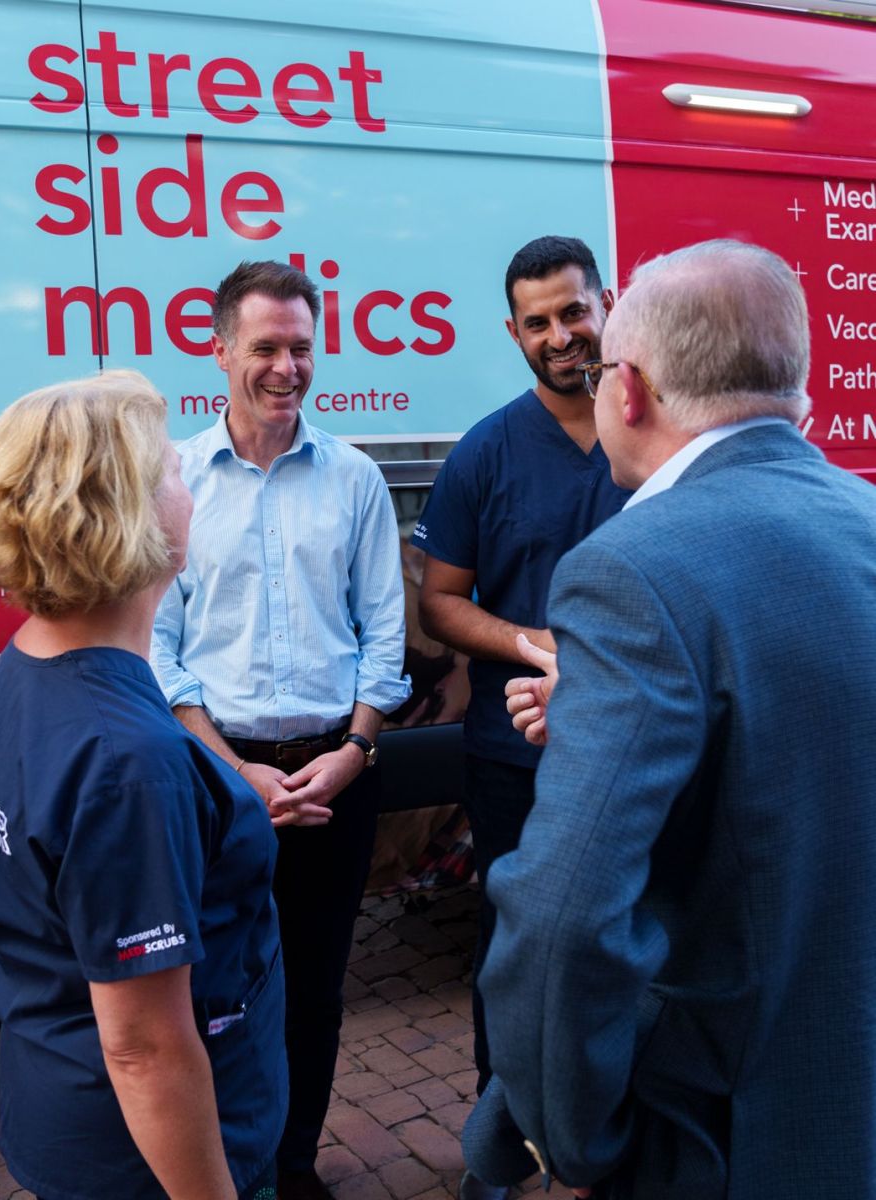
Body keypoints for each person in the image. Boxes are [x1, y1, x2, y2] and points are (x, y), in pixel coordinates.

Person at [462, 239, 876, 1200]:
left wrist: (573, 1142)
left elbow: (564, 923)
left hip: (725, 1129)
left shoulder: (632, 568)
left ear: (631, 389)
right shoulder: (859, 517)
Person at [0, 370, 286, 1200]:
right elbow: (143, 1046)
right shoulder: (127, 762)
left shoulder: (35, 658)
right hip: (144, 1165)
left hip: (63, 1103)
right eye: (170, 470)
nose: (187, 480)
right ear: (123, 513)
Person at [150, 260, 410, 1200]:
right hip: (215, 779)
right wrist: (233, 774)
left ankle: (292, 1165)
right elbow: (160, 646)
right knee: (213, 988)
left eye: (301, 347)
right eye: (265, 347)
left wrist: (354, 751)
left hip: (336, 775)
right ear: (219, 350)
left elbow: (385, 632)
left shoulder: (354, 479)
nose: (286, 367)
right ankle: (223, 1169)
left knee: (314, 989)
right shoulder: (173, 478)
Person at [410, 235, 629, 1199]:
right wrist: (527, 642)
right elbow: (440, 602)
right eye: (536, 322)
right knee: (513, 954)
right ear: (511, 333)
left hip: (635, 748)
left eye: (573, 311)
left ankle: (617, 1138)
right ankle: (497, 1154)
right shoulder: (486, 451)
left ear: (607, 304)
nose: (558, 335)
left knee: (632, 944)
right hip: (515, 759)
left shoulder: (653, 431)